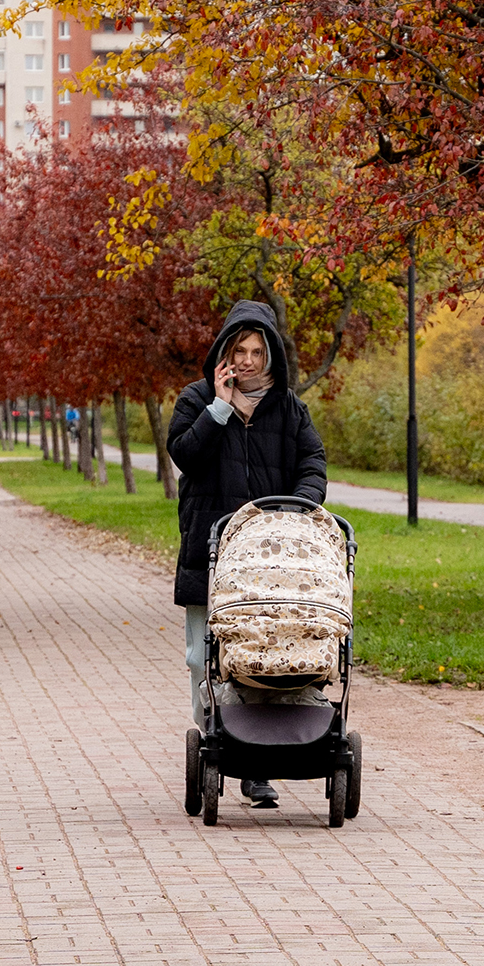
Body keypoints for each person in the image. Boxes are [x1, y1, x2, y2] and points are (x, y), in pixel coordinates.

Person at [166, 300, 328, 811]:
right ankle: (221, 737)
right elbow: (184, 454)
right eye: (241, 351)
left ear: (272, 355)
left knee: (265, 652)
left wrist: (300, 508)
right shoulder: (196, 401)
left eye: (259, 351)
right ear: (225, 354)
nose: (250, 361)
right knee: (204, 658)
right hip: (211, 553)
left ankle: (256, 765)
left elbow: (313, 461)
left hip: (274, 559)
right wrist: (219, 408)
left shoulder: (289, 408)